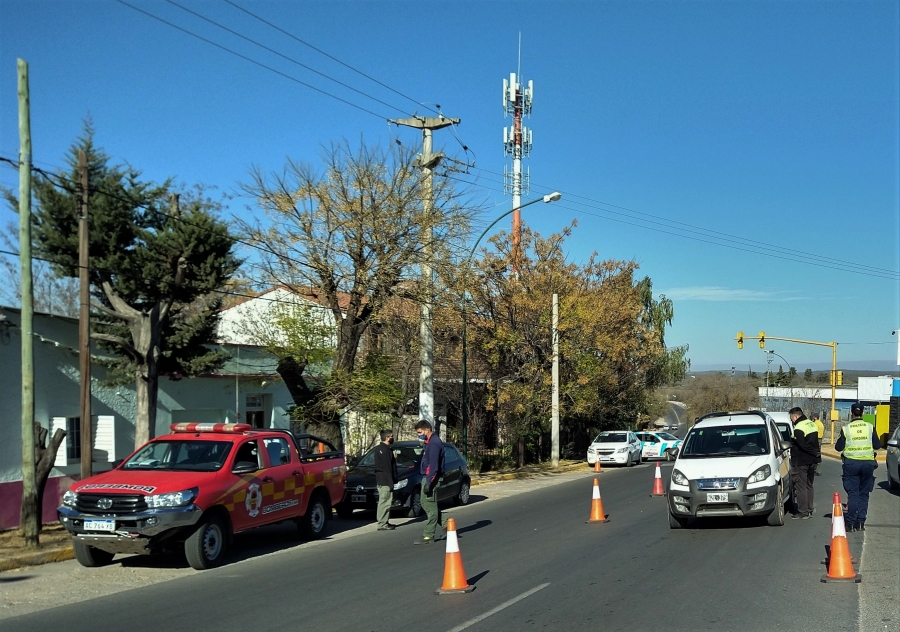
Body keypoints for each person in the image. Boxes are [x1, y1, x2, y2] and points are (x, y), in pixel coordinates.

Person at [835, 403, 881, 532]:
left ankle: (850, 524)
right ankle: (860, 523)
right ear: (863, 413)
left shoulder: (846, 429)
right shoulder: (870, 427)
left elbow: (838, 447)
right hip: (868, 464)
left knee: (853, 493)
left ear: (851, 413)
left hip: (851, 464)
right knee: (864, 494)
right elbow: (877, 445)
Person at [413, 420, 445, 545]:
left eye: (420, 432)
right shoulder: (430, 442)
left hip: (431, 478)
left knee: (429, 505)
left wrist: (429, 482)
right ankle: (447, 525)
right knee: (427, 503)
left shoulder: (434, 443)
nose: (419, 435)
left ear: (427, 430)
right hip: (428, 477)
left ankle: (428, 535)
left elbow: (433, 465)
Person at [788, 406, 820, 519]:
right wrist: (816, 453)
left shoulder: (799, 427)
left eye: (791, 417)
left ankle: (803, 511)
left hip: (801, 461)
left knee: (800, 486)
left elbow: (802, 444)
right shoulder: (812, 424)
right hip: (813, 460)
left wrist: (813, 452)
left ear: (796, 416)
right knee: (809, 485)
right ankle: (809, 510)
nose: (791, 420)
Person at [373, 428, 397, 531]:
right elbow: (387, 468)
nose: (392, 438)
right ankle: (382, 523)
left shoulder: (382, 449)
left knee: (386, 502)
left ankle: (384, 521)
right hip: (385, 481)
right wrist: (391, 482)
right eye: (391, 436)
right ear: (387, 438)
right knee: (385, 502)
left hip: (383, 479)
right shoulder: (385, 450)